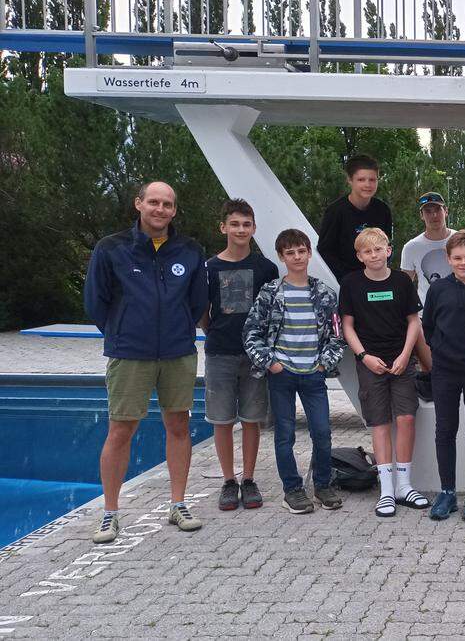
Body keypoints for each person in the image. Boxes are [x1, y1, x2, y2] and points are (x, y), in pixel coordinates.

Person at [84, 181, 208, 543]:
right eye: (153, 202)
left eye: (167, 204)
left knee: (179, 426)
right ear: (139, 204)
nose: (160, 209)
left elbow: (199, 301)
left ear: (174, 210)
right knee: (120, 430)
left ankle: (178, 503)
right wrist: (123, 331)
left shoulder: (190, 250)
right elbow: (96, 302)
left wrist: (181, 327)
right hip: (129, 353)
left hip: (177, 351)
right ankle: (110, 512)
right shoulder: (111, 248)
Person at [243, 229, 347, 514]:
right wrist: (270, 363)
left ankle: (323, 485)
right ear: (281, 257)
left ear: (309, 253)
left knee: (322, 432)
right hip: (282, 374)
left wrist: (324, 363)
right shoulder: (271, 293)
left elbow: (338, 336)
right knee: (285, 434)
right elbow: (252, 332)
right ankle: (293, 490)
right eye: (290, 253)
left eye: (301, 251)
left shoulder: (324, 294)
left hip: (313, 373)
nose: (297, 257)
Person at [339, 228, 429, 517]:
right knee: (379, 423)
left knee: (405, 418)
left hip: (401, 361)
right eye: (368, 251)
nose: (374, 255)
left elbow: (414, 322)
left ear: (389, 251)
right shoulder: (351, 283)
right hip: (370, 363)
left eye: (379, 249)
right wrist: (364, 357)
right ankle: (386, 490)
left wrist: (406, 355)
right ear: (360, 256)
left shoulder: (402, 281)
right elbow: (347, 326)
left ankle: (404, 485)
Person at [199, 199, 279, 513]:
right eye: (235, 224)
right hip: (220, 352)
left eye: (246, 224)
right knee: (221, 420)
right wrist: (215, 334)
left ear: (254, 228)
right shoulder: (209, 267)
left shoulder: (265, 267)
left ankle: (248, 479)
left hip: (255, 355)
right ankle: (228, 481)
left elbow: (273, 311)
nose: (241, 229)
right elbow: (203, 314)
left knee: (251, 419)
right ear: (223, 227)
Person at [423, 231, 465, 522]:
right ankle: (447, 492)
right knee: (445, 430)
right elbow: (428, 328)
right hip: (445, 370)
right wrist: (440, 352)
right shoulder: (438, 290)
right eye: (458, 258)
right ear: (449, 260)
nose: (464, 263)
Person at [317, 154, 393, 282]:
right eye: (361, 180)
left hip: (377, 277)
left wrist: (379, 271)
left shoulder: (383, 210)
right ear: (350, 180)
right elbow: (325, 250)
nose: (367, 184)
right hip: (347, 280)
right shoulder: (335, 211)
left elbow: (387, 245)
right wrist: (347, 279)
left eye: (372, 180)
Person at [400, 191, 454, 304]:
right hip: (425, 315)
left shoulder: (461, 240)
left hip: (458, 311)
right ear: (421, 215)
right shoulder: (411, 247)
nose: (434, 215)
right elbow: (404, 286)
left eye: (438, 210)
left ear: (446, 211)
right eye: (428, 211)